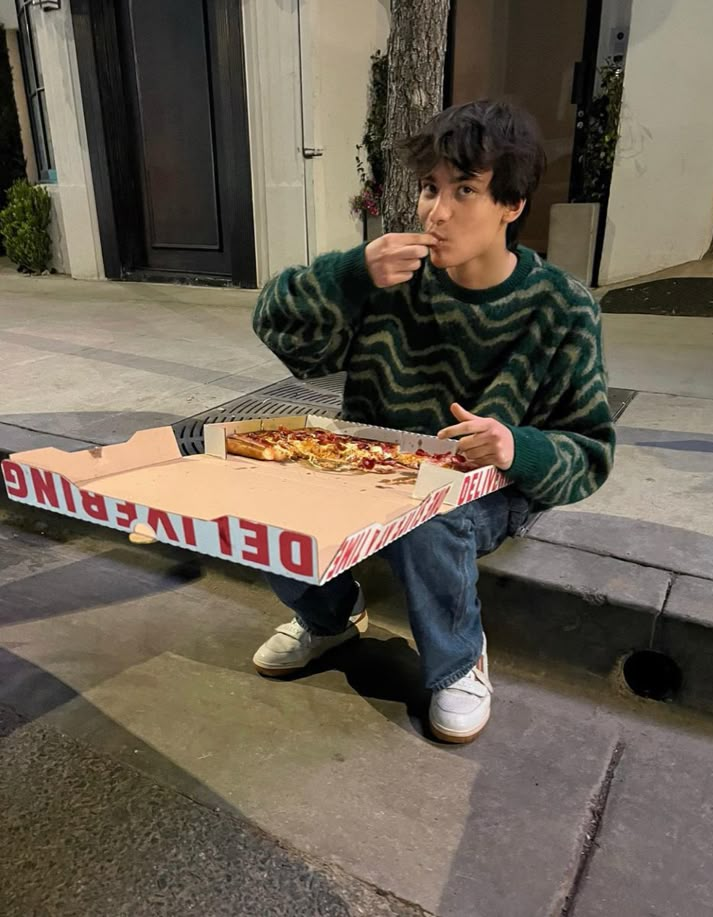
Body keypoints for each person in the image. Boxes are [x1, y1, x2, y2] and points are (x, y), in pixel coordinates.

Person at [250, 99, 615, 744]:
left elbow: (588, 453)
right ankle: (331, 617)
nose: (435, 212)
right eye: (429, 189)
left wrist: (515, 446)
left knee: (428, 518)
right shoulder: (391, 279)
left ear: (512, 204)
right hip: (371, 463)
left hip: (485, 487)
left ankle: (456, 663)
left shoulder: (561, 307)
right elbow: (279, 328)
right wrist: (350, 274)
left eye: (465, 191)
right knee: (272, 483)